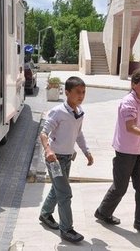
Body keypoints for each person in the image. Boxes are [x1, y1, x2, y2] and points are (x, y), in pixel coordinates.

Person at [94, 68, 140, 237]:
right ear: (134, 84)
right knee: (120, 188)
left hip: (139, 152)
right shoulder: (128, 102)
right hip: (124, 152)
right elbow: (130, 127)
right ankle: (103, 212)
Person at [39, 76, 93, 243]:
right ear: (67, 92)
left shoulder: (79, 112)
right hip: (54, 159)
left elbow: (79, 134)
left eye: (83, 92)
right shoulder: (58, 111)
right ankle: (66, 229)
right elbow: (43, 133)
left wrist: (87, 152)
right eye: (77, 92)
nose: (81, 96)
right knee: (65, 193)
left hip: (67, 158)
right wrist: (48, 150)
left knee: (57, 190)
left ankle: (45, 214)